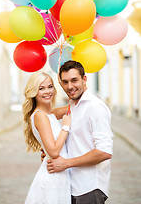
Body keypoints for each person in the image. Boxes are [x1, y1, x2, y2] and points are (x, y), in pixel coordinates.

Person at [47, 60, 113, 204]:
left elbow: (104, 152)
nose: (70, 86)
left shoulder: (95, 107)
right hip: (71, 185)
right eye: (65, 82)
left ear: (84, 79)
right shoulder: (73, 105)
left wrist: (66, 163)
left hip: (90, 187)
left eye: (74, 80)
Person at [22, 71, 71, 204]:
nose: (47, 91)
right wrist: (65, 127)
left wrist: (66, 85)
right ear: (33, 92)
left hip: (59, 175)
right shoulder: (40, 116)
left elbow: (72, 107)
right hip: (52, 179)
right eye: (41, 88)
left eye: (50, 87)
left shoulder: (49, 114)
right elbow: (53, 152)